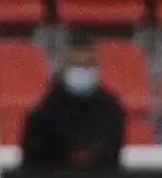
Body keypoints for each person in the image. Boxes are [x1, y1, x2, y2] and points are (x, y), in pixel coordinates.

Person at [21, 40, 125, 170]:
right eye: (76, 65)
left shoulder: (111, 111)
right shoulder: (43, 114)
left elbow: (112, 160)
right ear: (63, 67)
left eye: (87, 65)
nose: (82, 71)